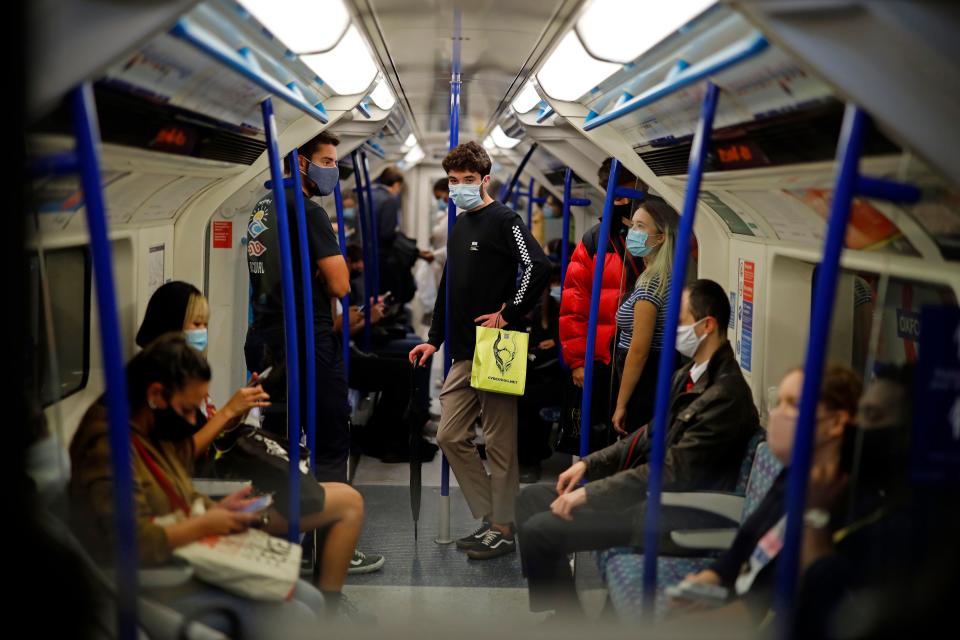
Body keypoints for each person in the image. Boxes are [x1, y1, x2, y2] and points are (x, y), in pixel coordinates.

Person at [69, 334, 371, 624]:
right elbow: (131, 542)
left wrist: (216, 509)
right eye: (188, 410)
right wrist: (205, 523)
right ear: (156, 395)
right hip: (157, 577)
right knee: (300, 613)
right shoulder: (108, 447)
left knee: (311, 599)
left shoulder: (148, 427)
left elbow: (176, 485)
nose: (191, 422)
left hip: (183, 550)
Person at [516, 279, 760, 617]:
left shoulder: (725, 396)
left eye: (680, 322)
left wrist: (589, 494)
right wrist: (589, 465)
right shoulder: (690, 375)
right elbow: (649, 435)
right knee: (529, 500)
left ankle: (565, 623)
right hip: (651, 495)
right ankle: (566, 615)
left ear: (707, 326)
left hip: (675, 511)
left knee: (541, 531)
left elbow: (672, 471)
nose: (674, 329)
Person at [243, 129, 384, 574]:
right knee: (329, 440)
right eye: (325, 160)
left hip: (265, 339)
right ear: (301, 163)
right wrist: (328, 278)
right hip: (307, 340)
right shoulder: (308, 211)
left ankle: (281, 543)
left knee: (277, 444)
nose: (332, 170)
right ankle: (323, 544)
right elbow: (341, 284)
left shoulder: (261, 208)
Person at [408, 141, 550, 560]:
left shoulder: (505, 220)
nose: (458, 188)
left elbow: (537, 266)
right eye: (453, 182)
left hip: (498, 344)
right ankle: (497, 515)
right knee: (451, 435)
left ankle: (503, 528)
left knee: (501, 444)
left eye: (467, 181)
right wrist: (433, 339)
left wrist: (510, 312)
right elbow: (449, 287)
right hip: (463, 349)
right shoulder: (460, 224)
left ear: (484, 180)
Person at [673, 364, 862, 625]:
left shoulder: (846, 503)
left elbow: (794, 602)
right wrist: (712, 578)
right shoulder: (792, 475)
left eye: (793, 404)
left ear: (837, 422)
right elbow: (747, 540)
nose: (779, 414)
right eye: (779, 402)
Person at [558, 158, 645, 451]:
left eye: (629, 192)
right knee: (601, 436)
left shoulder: (660, 235)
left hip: (646, 352)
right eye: (617, 195)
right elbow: (574, 307)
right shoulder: (595, 240)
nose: (623, 201)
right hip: (605, 357)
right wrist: (578, 361)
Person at [135, 281, 270, 459]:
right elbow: (180, 456)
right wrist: (228, 411)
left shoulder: (185, 372)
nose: (203, 332)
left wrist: (238, 411)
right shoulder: (155, 379)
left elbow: (207, 431)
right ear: (172, 324)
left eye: (205, 325)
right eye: (197, 324)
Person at [611, 198, 680, 435]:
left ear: (660, 237)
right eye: (633, 226)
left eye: (641, 227)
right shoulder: (662, 275)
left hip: (645, 379)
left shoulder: (652, 284)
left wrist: (621, 403)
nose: (633, 232)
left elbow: (639, 350)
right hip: (654, 375)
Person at [517, 264, 564, 482]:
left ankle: (530, 459)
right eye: (552, 283)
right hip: (538, 373)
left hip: (560, 376)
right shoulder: (537, 312)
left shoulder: (566, 312)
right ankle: (525, 455)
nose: (556, 288)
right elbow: (531, 347)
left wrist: (556, 344)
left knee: (528, 400)